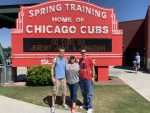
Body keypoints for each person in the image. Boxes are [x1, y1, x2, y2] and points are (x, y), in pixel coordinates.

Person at [51, 48, 68, 113]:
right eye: (60, 52)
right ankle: (52, 106)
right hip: (57, 79)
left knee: (64, 93)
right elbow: (52, 68)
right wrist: (52, 77)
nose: (62, 53)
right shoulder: (55, 59)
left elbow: (67, 69)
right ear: (59, 52)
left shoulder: (65, 59)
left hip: (64, 79)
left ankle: (63, 103)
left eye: (63, 52)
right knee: (54, 93)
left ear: (64, 52)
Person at [79, 49, 95, 113]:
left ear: (86, 52)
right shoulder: (80, 60)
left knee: (89, 94)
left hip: (88, 78)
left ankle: (91, 107)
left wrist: (93, 76)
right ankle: (85, 105)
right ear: (81, 53)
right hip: (81, 79)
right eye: (82, 52)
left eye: (84, 52)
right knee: (83, 93)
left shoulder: (89, 59)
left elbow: (92, 67)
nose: (83, 53)